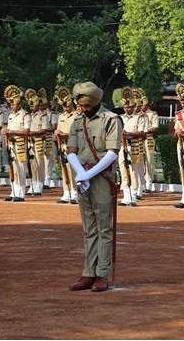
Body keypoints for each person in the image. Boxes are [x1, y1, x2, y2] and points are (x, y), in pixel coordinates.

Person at [67, 81, 122, 292]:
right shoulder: (77, 121)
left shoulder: (111, 119)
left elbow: (112, 152)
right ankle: (88, 272)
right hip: (83, 178)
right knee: (88, 228)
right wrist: (81, 174)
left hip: (101, 178)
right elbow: (71, 150)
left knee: (104, 228)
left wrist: (89, 173)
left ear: (95, 102)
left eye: (86, 106)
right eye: (80, 105)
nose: (82, 109)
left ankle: (102, 274)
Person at [3, 85, 31, 202]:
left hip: (20, 144)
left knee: (20, 169)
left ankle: (21, 192)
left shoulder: (25, 115)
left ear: (19, 104)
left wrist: (12, 132)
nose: (11, 106)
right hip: (11, 144)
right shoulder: (10, 116)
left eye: (13, 104)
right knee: (13, 168)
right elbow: (8, 131)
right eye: (10, 104)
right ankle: (13, 190)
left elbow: (26, 131)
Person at [118, 86, 146, 206]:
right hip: (122, 146)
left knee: (134, 171)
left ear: (134, 106)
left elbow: (142, 133)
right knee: (124, 169)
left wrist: (128, 134)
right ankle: (126, 195)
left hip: (135, 146)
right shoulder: (121, 118)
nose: (127, 109)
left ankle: (134, 194)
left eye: (129, 106)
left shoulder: (140, 117)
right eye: (125, 106)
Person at [54, 86, 79, 204]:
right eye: (63, 106)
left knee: (74, 169)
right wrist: (57, 134)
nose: (65, 107)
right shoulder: (61, 116)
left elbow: (78, 132)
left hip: (73, 146)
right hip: (62, 146)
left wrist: (65, 134)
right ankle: (66, 191)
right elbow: (58, 130)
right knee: (64, 168)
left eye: (67, 105)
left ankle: (75, 192)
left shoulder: (76, 115)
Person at [25, 88, 48, 196]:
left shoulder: (43, 115)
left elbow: (44, 130)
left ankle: (40, 183)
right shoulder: (28, 116)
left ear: (38, 105)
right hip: (30, 142)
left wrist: (32, 133)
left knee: (39, 163)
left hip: (39, 141)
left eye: (32, 105)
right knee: (32, 164)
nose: (31, 108)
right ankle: (33, 183)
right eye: (30, 106)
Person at [40, 88, 58, 189]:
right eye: (40, 104)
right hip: (39, 139)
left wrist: (45, 130)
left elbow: (54, 126)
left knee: (48, 160)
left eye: (42, 104)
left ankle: (47, 179)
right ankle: (41, 179)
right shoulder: (37, 114)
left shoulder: (51, 114)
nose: (40, 106)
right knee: (40, 160)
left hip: (48, 139)